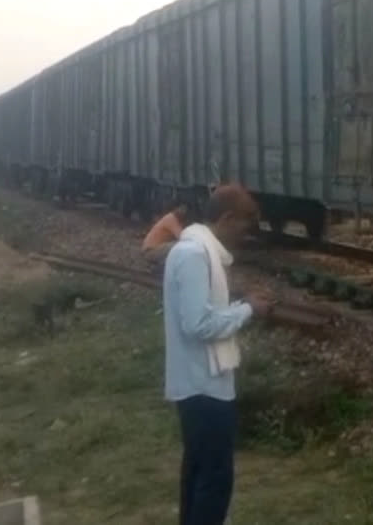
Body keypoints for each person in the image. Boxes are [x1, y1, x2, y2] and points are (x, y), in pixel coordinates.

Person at [162, 184, 272, 525]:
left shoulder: (197, 251)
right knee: (214, 479)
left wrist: (239, 304)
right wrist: (248, 310)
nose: (247, 234)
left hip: (203, 383)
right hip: (202, 386)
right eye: (244, 224)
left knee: (198, 471)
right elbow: (198, 324)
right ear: (226, 218)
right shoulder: (195, 255)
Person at [143, 200, 190, 268]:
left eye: (185, 209)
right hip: (150, 251)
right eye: (181, 208)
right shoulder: (172, 219)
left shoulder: (176, 220)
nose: (183, 211)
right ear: (175, 208)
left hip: (155, 250)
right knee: (178, 245)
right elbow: (182, 237)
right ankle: (162, 266)